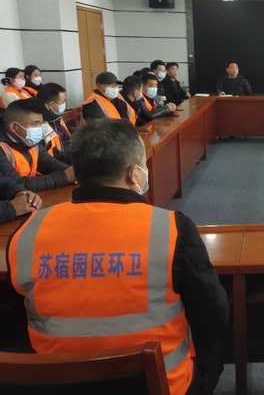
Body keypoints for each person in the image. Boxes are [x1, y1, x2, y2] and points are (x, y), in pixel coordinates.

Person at [7, 118, 229, 395]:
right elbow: (213, 315)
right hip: (157, 385)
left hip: (56, 384)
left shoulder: (28, 231)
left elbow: (21, 313)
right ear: (134, 174)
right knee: (214, 346)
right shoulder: (172, 228)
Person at [0, 99, 74, 192]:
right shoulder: (2, 148)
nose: (39, 129)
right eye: (35, 124)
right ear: (14, 127)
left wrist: (72, 172)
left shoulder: (28, 139)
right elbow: (17, 184)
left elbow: (48, 163)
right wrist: (65, 176)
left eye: (40, 123)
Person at [35, 83, 72, 163]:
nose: (64, 104)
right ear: (51, 105)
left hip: (70, 155)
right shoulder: (41, 126)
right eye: (63, 101)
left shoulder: (57, 117)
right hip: (59, 162)